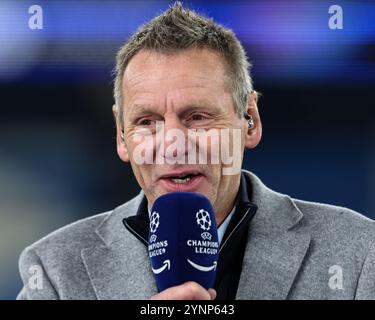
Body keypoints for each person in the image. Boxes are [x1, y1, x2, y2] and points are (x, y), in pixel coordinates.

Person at [17, 2, 375, 300]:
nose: (172, 145)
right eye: (146, 122)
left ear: (249, 120)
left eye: (197, 117)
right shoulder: (54, 271)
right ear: (121, 137)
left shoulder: (358, 252)